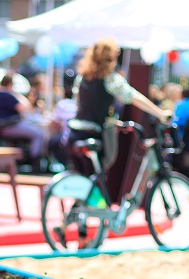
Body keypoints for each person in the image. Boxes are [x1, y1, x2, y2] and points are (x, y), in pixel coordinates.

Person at [68, 37, 171, 176]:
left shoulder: (82, 77)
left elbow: (79, 104)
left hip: (74, 133)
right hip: (94, 133)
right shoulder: (109, 78)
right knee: (98, 177)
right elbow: (133, 97)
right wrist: (160, 113)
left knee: (83, 179)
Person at [0, 74, 45, 162]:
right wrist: (17, 94)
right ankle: (34, 160)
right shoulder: (8, 96)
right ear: (11, 84)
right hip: (9, 126)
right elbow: (23, 108)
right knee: (38, 134)